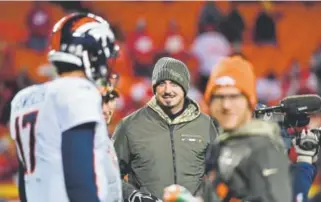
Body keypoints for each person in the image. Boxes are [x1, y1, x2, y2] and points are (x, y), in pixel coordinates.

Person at [9, 12, 120, 202]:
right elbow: (79, 179)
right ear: (91, 55)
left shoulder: (23, 98)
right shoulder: (78, 91)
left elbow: (25, 181)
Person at [164, 56, 291, 202]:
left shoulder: (264, 148)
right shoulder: (220, 146)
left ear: (249, 101)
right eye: (218, 97)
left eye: (234, 96)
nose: (226, 105)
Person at [113, 57, 218, 199]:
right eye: (162, 83)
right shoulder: (130, 125)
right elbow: (110, 173)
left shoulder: (205, 124)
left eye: (175, 83)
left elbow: (219, 174)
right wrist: (133, 196)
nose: (168, 90)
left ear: (185, 86)